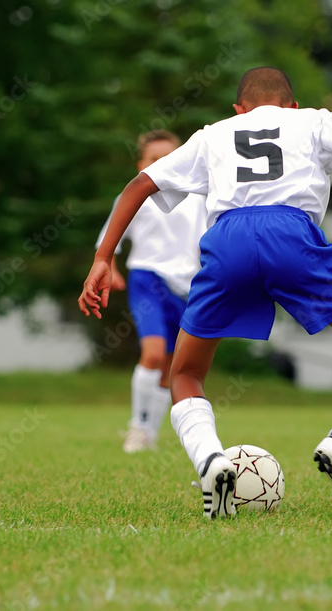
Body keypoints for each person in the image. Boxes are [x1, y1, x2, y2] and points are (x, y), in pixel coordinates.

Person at [79, 67, 332, 519]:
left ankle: (210, 461)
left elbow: (140, 184)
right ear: (290, 106)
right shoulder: (312, 120)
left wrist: (102, 258)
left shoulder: (213, 134)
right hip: (290, 232)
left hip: (227, 240)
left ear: (238, 110)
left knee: (185, 374)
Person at [95, 130, 207, 452]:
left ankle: (149, 433)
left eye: (168, 157)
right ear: (141, 163)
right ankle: (135, 427)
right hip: (148, 278)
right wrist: (111, 267)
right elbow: (109, 240)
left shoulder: (197, 195)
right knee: (154, 353)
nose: (162, 164)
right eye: (154, 159)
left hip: (187, 287)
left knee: (172, 365)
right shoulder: (135, 194)